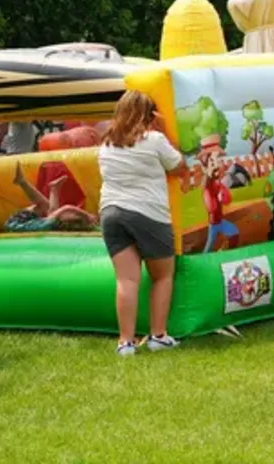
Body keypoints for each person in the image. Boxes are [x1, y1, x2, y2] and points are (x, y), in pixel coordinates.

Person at [97, 91, 189, 356]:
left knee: (126, 279)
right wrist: (165, 131)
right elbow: (179, 166)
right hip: (148, 213)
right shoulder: (154, 140)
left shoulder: (106, 145)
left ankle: (125, 342)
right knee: (162, 276)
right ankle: (158, 335)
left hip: (111, 213)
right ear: (149, 115)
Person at [5, 163, 97, 232]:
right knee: (46, 207)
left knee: (44, 206)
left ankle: (23, 182)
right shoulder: (49, 225)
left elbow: (66, 208)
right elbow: (58, 211)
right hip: (18, 224)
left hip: (15, 223)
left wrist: (86, 215)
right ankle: (53, 189)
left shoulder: (48, 223)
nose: (71, 215)